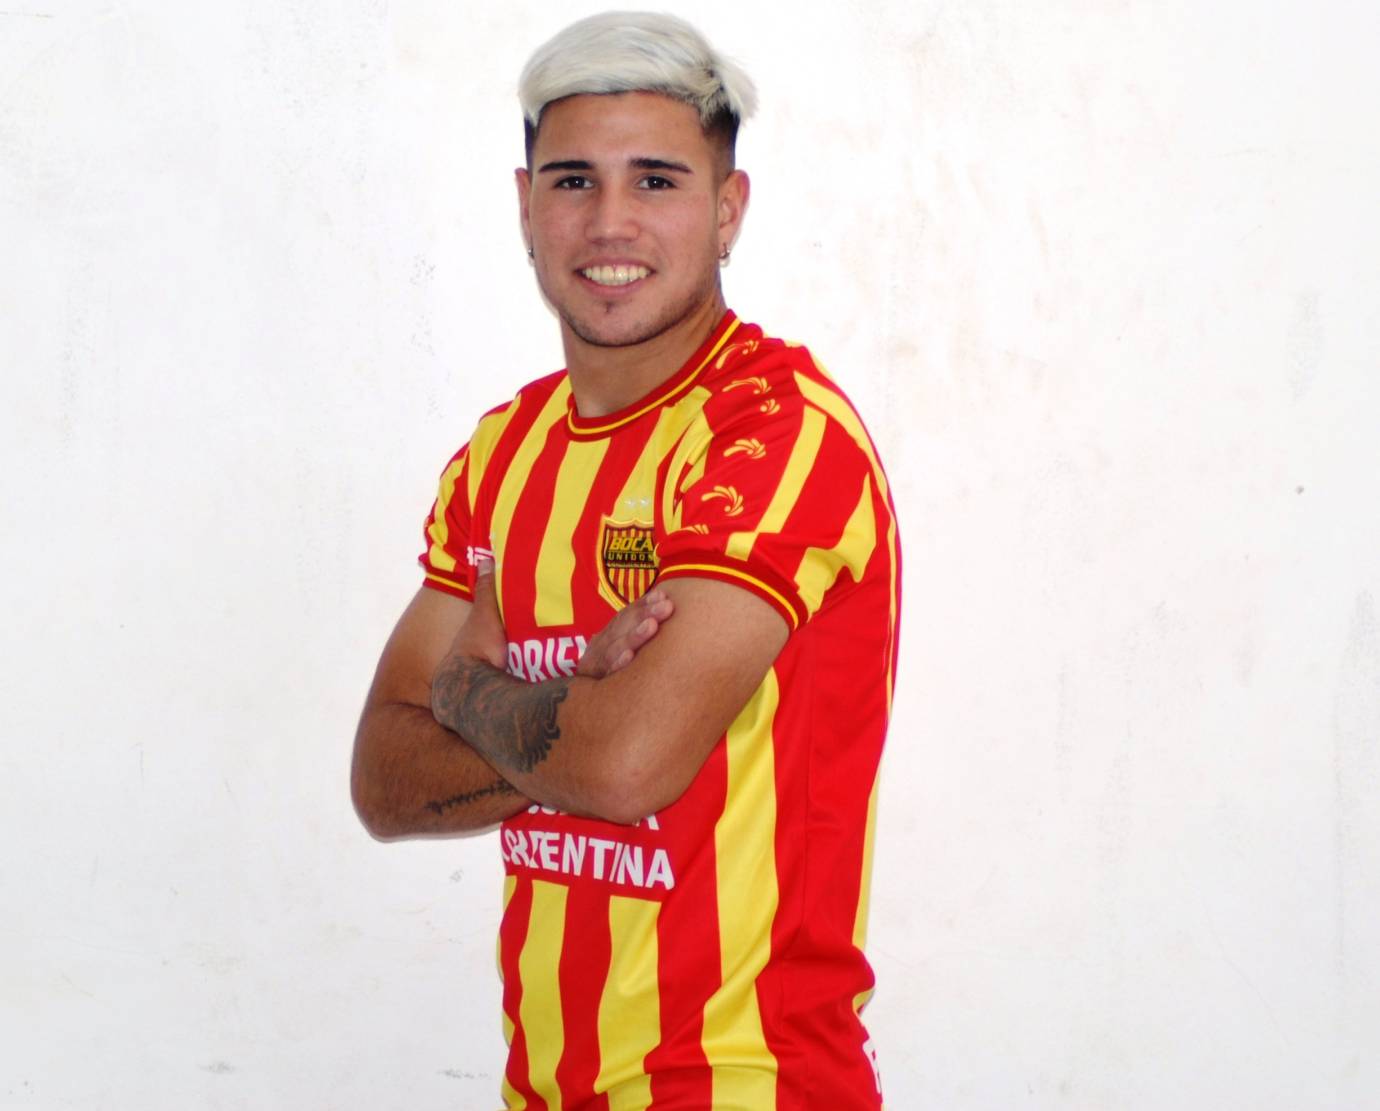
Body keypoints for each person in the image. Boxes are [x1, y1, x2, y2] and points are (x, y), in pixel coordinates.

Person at [351, 11, 900, 1108]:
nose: (610, 222)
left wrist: (468, 694)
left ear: (728, 209)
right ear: (525, 206)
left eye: (656, 180)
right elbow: (382, 780)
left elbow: (626, 767)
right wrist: (573, 712)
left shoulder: (778, 434)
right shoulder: (502, 455)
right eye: (573, 181)